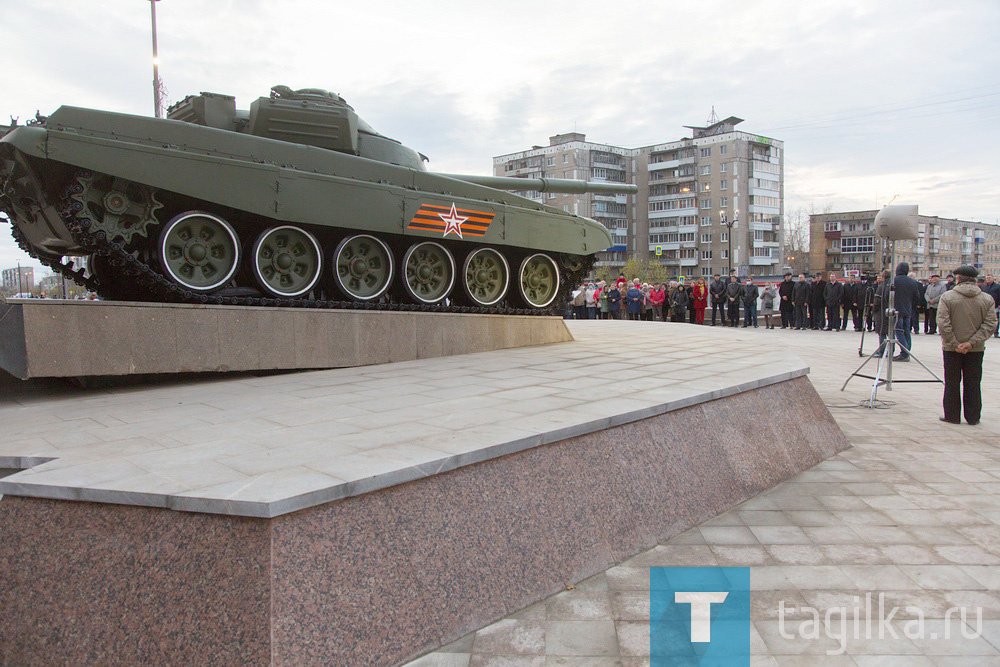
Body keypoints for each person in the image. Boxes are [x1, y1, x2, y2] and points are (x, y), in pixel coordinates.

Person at [937, 265, 998, 425]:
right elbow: (990, 324)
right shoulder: (986, 299)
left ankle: (952, 415)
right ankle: (973, 417)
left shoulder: (947, 297)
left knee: (951, 381)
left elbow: (943, 322)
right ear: (975, 280)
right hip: (975, 349)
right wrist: (971, 343)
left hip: (951, 348)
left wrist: (955, 343)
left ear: (958, 279)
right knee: (973, 382)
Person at [891, 261, 921, 361]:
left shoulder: (894, 280)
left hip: (896, 309)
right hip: (907, 310)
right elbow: (917, 297)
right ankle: (907, 351)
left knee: (898, 330)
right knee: (906, 331)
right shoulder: (912, 282)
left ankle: (904, 353)